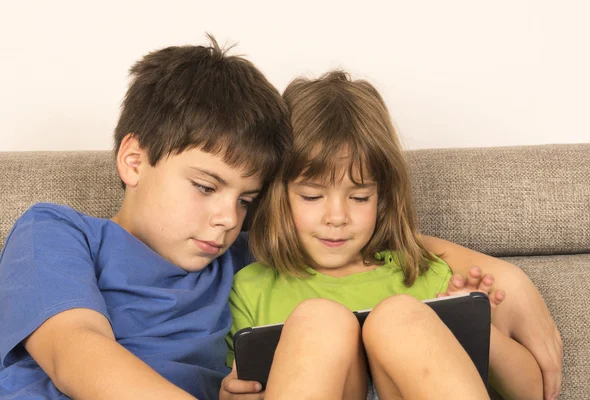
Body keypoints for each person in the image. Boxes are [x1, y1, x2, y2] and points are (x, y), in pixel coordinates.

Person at [0, 36, 291, 399]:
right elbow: (74, 352)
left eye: (246, 200)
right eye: (205, 187)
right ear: (134, 161)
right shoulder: (55, 231)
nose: (229, 219)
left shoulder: (246, 261)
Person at [224, 71, 544, 399]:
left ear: (382, 198)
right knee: (317, 321)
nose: (337, 217)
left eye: (359, 197)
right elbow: (238, 385)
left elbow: (532, 391)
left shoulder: (425, 274)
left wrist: (477, 331)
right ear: (277, 195)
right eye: (312, 196)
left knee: (400, 317)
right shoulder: (251, 290)